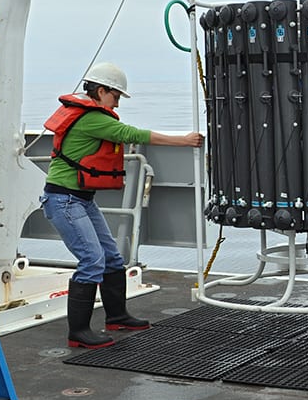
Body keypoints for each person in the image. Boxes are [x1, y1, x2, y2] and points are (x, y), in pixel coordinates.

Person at [40, 62, 204, 349]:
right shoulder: (92, 119)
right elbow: (134, 135)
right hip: (64, 200)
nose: (117, 102)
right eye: (115, 96)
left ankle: (116, 316)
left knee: (112, 259)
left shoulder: (91, 115)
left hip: (81, 200)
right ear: (100, 91)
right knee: (92, 261)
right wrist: (184, 140)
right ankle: (78, 332)